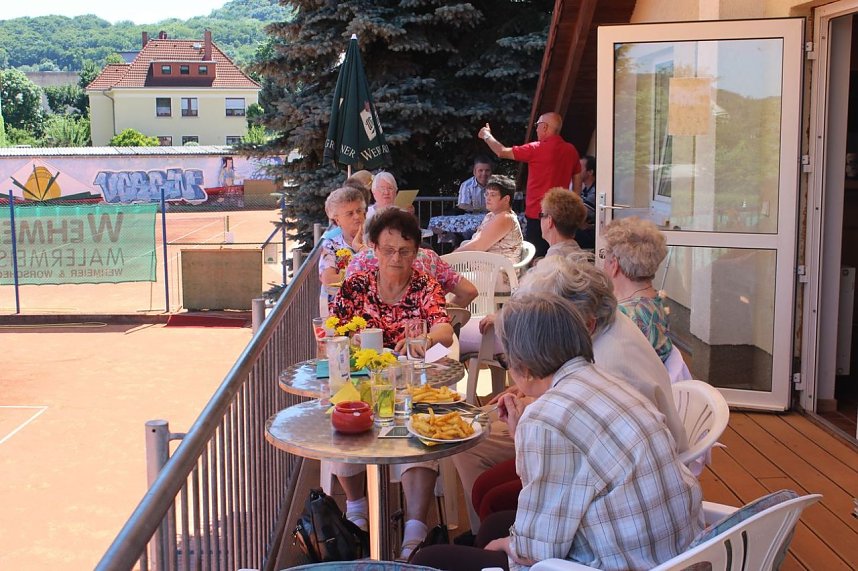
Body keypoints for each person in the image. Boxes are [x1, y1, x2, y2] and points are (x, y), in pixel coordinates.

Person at [413, 294, 703, 571]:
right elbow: (563, 494)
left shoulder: (545, 417)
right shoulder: (606, 380)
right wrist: (523, 437)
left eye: (506, 361)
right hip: (675, 552)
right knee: (494, 526)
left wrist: (510, 545)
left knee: (429, 559)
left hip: (617, 561)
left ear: (524, 367)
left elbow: (537, 546)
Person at [452, 258, 688, 534]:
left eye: (548, 321)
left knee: (477, 457)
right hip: (621, 470)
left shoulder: (610, 360)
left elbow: (573, 443)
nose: (540, 331)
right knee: (485, 481)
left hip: (612, 491)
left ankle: (493, 536)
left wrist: (528, 414)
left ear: (583, 323)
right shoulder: (608, 326)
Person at [329, 208, 455, 559]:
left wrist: (427, 339)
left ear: (416, 252)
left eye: (404, 250)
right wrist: (348, 343)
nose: (396, 258)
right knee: (343, 421)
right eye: (388, 250)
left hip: (408, 384)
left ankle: (414, 532)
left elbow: (445, 327)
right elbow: (332, 331)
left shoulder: (424, 285)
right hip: (361, 383)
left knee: (421, 432)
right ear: (373, 249)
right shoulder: (356, 285)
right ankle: (357, 509)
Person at [478, 112, 581, 257]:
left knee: (536, 259)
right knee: (561, 258)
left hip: (537, 216)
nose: (536, 129)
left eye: (537, 125)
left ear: (545, 127)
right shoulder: (571, 151)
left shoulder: (536, 148)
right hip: (562, 216)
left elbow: (501, 152)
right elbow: (577, 184)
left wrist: (486, 135)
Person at [346, 225, 479, 309]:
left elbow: (346, 305)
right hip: (425, 341)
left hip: (371, 343)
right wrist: (447, 315)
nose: (396, 259)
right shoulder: (429, 258)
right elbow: (469, 292)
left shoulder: (362, 260)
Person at [602, 216, 674, 362]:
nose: (603, 264)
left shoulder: (623, 318)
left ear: (614, 264)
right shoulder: (658, 302)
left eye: (604, 256)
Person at [318, 186, 366, 316]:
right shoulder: (331, 244)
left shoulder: (375, 239)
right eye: (350, 213)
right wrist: (363, 277)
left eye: (359, 211)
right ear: (338, 220)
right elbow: (328, 278)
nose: (357, 217)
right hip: (340, 308)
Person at [454, 175, 522, 266]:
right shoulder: (491, 215)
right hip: (485, 270)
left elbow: (476, 247)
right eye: (486, 194)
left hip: (496, 274)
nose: (488, 198)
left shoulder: (505, 217)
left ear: (506, 199)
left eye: (493, 194)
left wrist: (444, 260)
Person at [539, 187, 590, 262]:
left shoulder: (551, 263)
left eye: (541, 215)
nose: (540, 219)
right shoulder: (579, 256)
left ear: (549, 221)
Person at [574, 155, 597, 249]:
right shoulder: (585, 190)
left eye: (580, 168)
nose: (577, 170)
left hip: (592, 235)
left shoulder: (595, 192)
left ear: (590, 172)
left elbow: (576, 215)